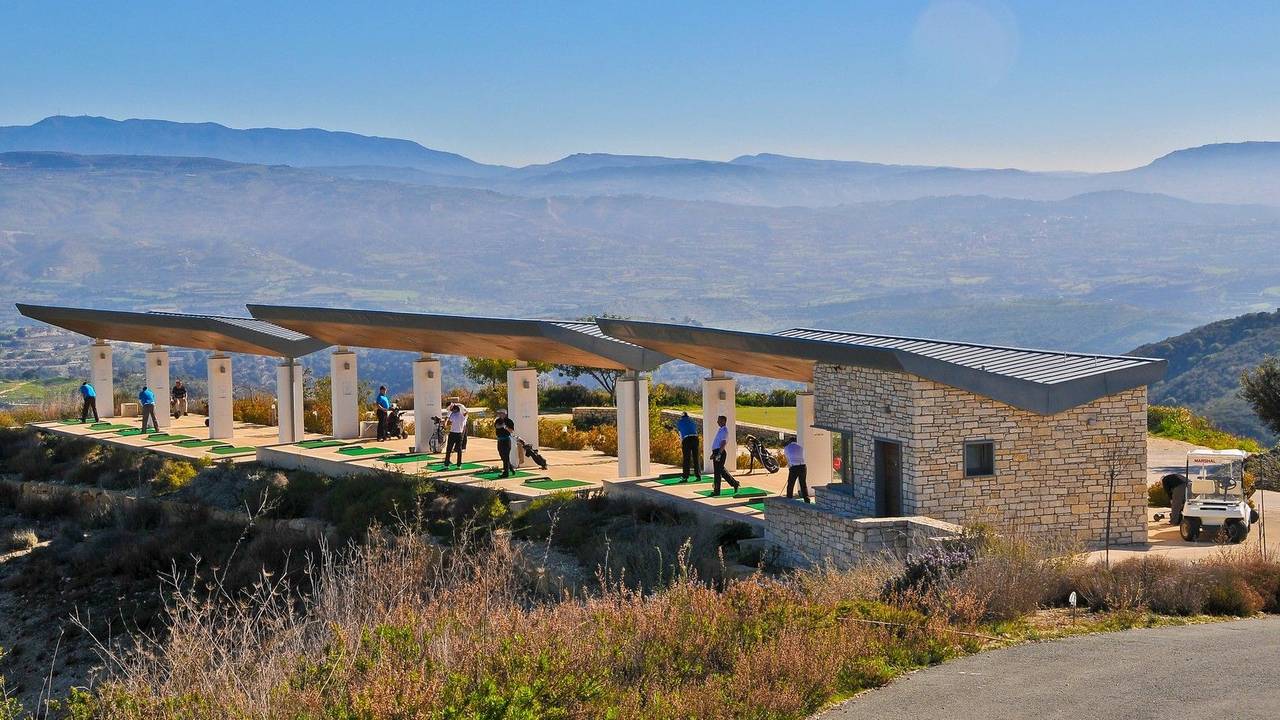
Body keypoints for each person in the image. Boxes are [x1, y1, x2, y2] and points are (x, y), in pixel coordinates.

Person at [710, 414, 740, 496]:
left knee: (717, 472)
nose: (717, 422)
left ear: (723, 421)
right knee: (721, 471)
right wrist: (714, 453)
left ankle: (717, 491)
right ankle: (735, 483)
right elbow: (717, 443)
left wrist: (719, 454)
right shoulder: (720, 430)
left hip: (720, 452)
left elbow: (723, 443)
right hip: (717, 452)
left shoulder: (724, 431)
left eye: (719, 420)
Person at [782, 438, 810, 502]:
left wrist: (790, 467)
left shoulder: (787, 447)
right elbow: (802, 456)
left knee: (791, 484)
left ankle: (789, 499)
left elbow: (787, 459)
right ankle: (807, 500)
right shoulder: (800, 447)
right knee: (803, 484)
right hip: (803, 466)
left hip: (794, 467)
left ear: (790, 441)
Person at [675, 411, 701, 482]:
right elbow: (695, 430)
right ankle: (698, 476)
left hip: (687, 439)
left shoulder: (680, 422)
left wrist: (682, 442)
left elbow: (680, 433)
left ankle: (685, 476)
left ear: (682, 416)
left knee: (686, 458)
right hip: (695, 438)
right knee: (696, 458)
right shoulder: (692, 421)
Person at [444, 401, 469, 468]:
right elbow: (466, 413)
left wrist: (445, 425)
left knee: (449, 449)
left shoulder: (454, 414)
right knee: (459, 449)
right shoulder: (462, 416)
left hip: (454, 433)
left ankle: (447, 464)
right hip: (459, 433)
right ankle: (459, 465)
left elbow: (449, 421)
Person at [494, 411, 516, 478]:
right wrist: (502, 426)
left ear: (505, 414)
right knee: (502, 456)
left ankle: (506, 473)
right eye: (499, 413)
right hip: (500, 440)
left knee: (506, 456)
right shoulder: (498, 420)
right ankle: (511, 468)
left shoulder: (509, 421)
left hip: (506, 440)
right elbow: (497, 426)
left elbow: (511, 431)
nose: (500, 415)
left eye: (501, 413)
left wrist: (506, 427)